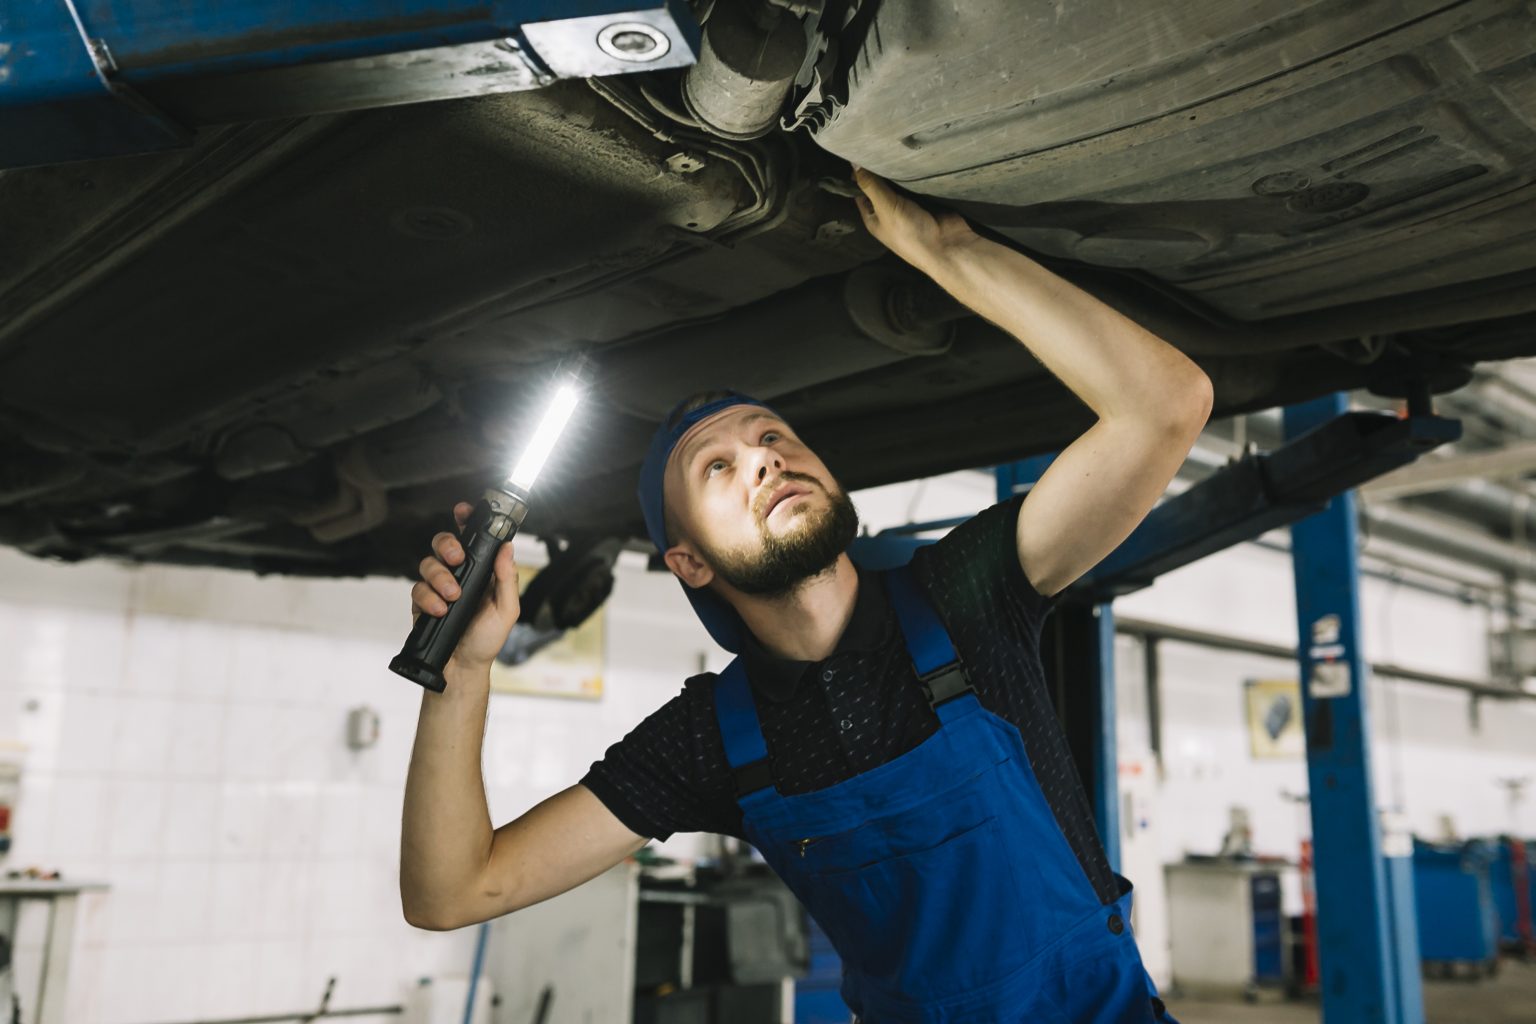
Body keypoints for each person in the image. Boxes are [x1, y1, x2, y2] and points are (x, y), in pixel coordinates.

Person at [400, 168, 1212, 1021]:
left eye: (774, 436)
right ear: (690, 564)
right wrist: (464, 675)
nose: (764, 457)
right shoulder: (712, 739)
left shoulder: (967, 593)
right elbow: (453, 892)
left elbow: (1165, 406)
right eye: (717, 467)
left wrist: (947, 250)